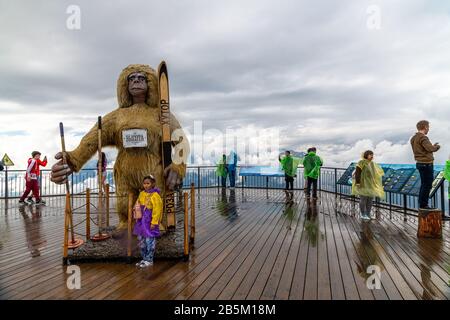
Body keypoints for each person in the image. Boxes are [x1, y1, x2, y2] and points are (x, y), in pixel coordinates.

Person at [132, 175, 162, 268]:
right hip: (141, 221)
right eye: (144, 183)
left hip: (149, 221)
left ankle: (149, 259)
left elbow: (157, 209)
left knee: (150, 240)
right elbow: (138, 203)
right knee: (141, 240)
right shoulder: (142, 194)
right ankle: (144, 258)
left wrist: (154, 222)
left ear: (152, 184)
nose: (146, 185)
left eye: (148, 183)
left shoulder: (155, 196)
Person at [410, 120, 441, 209]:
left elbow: (423, 148)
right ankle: (424, 205)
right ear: (425, 127)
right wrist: (437, 147)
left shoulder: (414, 138)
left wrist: (431, 146)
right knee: (427, 184)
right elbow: (430, 149)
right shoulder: (423, 137)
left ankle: (421, 203)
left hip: (419, 163)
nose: (428, 129)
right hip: (426, 164)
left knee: (424, 184)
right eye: (428, 127)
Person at [352, 150, 385, 221]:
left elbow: (375, 174)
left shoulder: (372, 163)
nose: (372, 156)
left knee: (370, 200)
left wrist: (376, 183)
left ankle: (368, 213)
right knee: (363, 199)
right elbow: (358, 173)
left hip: (371, 184)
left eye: (372, 155)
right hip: (363, 184)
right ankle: (363, 214)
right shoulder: (361, 162)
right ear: (366, 155)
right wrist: (358, 183)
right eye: (370, 154)